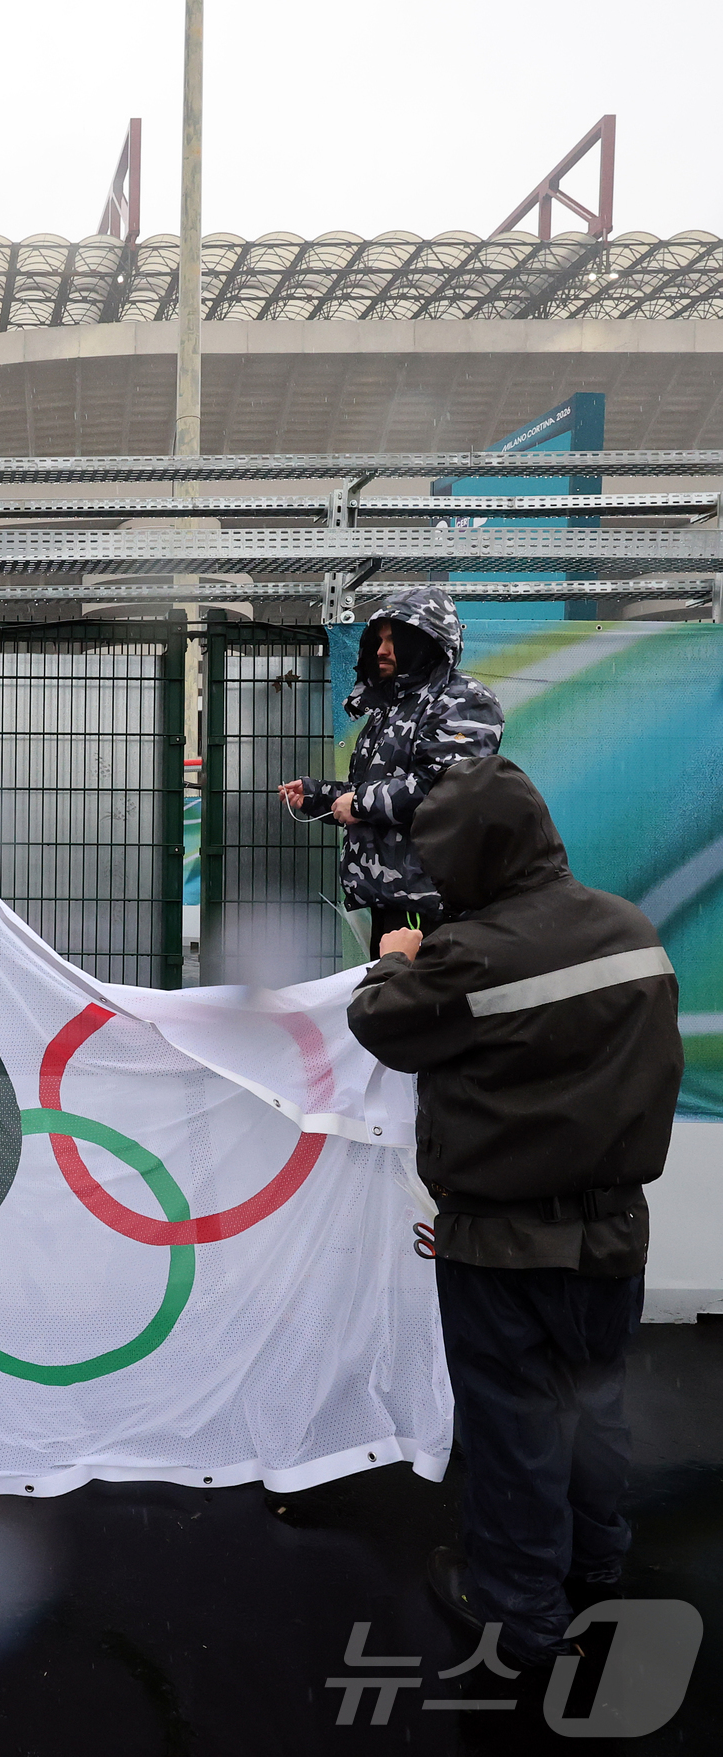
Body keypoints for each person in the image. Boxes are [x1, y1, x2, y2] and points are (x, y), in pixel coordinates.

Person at [345, 755, 682, 1670]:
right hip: (614, 1233)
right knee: (595, 1405)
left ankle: (521, 1610)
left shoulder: (469, 955)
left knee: (514, 1427)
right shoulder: (633, 931)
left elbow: (382, 1024)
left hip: (502, 1245)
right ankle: (596, 1565)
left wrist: (393, 958)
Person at [276, 586, 503, 956]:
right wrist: (321, 797)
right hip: (393, 899)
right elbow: (380, 788)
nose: (381, 650)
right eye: (378, 640)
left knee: (418, 1008)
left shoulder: (463, 700)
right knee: (390, 1002)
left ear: (426, 640)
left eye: (393, 639)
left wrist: (360, 803)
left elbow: (445, 788)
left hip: (432, 903)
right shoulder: (392, 706)